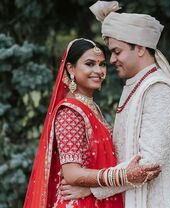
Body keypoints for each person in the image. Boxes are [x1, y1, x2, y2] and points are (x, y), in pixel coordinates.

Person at [61, 1, 170, 207]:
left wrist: (92, 188)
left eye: (117, 51)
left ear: (140, 48)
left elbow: (148, 164)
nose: (112, 59)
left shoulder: (159, 91)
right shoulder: (138, 87)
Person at [23, 38, 161, 208]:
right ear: (70, 68)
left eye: (102, 64)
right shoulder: (70, 112)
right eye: (89, 64)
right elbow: (72, 173)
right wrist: (123, 176)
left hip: (96, 200)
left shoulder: (91, 107)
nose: (98, 71)